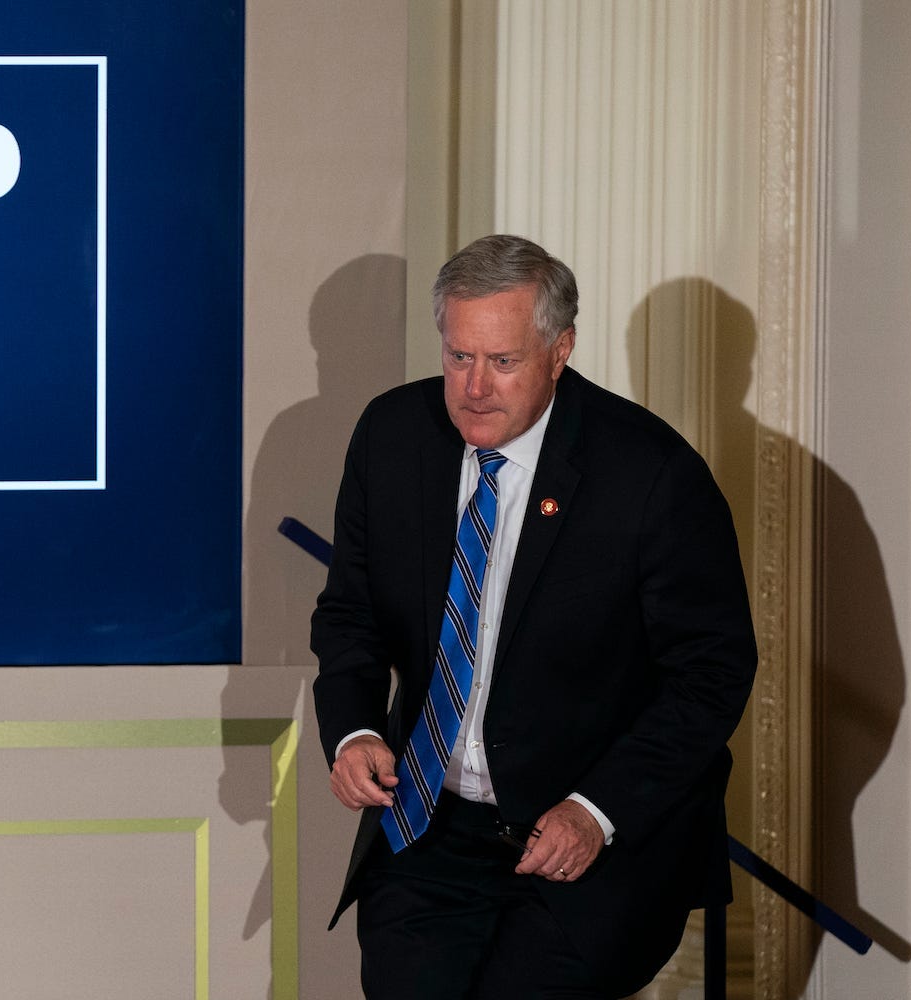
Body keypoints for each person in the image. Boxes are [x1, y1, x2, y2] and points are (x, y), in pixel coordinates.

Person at [311, 234, 756, 998]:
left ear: (560, 349)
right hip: (432, 831)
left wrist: (596, 810)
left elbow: (712, 673)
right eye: (458, 357)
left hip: (590, 848)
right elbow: (350, 611)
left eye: (503, 362)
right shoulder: (392, 438)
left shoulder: (652, 476)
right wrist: (353, 730)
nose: (474, 388)